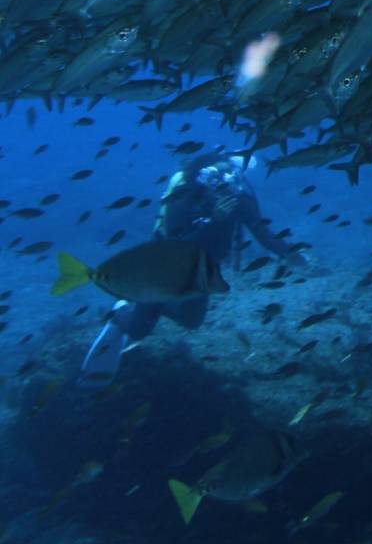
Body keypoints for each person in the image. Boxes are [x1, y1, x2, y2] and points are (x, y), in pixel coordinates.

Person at [79, 151, 303, 387]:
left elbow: (262, 232)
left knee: (192, 320)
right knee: (139, 329)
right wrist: (214, 219)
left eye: (231, 178)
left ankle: (149, 304)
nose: (226, 185)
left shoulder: (240, 198)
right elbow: (176, 243)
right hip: (164, 266)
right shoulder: (185, 194)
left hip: (203, 269)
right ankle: (123, 316)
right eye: (220, 178)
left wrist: (289, 254)